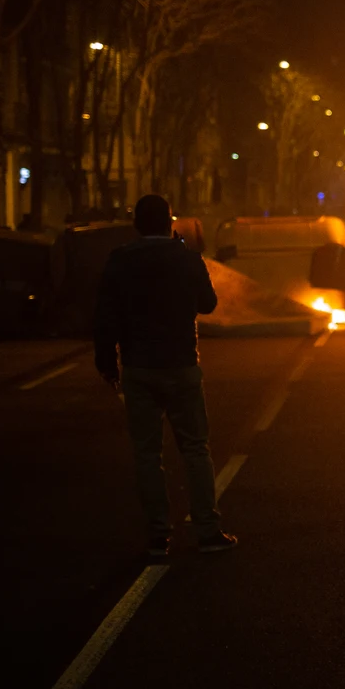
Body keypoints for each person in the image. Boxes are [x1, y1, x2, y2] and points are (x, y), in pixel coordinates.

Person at [95, 193, 235, 561]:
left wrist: (107, 362)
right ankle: (207, 530)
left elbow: (105, 316)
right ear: (170, 222)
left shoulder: (119, 261)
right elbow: (207, 303)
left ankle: (158, 537)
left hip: (139, 367)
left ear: (137, 225)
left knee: (146, 454)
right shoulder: (185, 258)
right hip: (180, 363)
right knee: (195, 448)